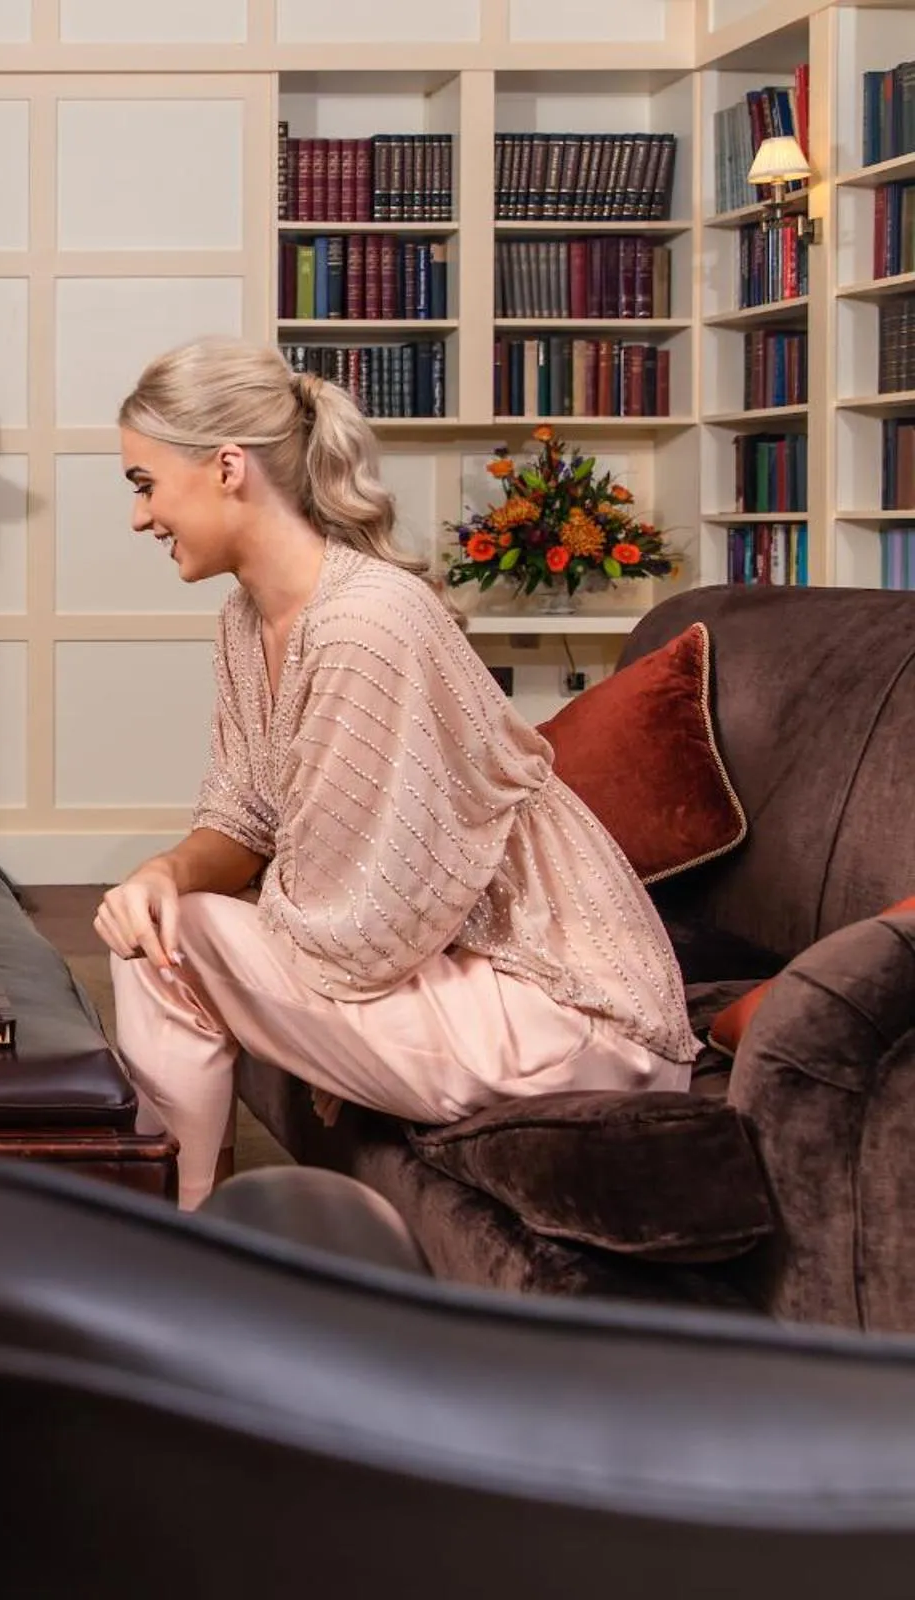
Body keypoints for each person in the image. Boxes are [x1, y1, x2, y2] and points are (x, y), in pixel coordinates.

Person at [95, 338, 693, 1208]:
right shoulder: (246, 617)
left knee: (162, 947)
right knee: (158, 919)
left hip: (564, 1019)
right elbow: (243, 819)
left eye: (144, 484)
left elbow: (360, 922)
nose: (140, 519)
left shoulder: (365, 623)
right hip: (473, 989)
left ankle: (183, 1251)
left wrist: (184, 912)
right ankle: (191, 1241)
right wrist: (165, 871)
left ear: (228, 467)